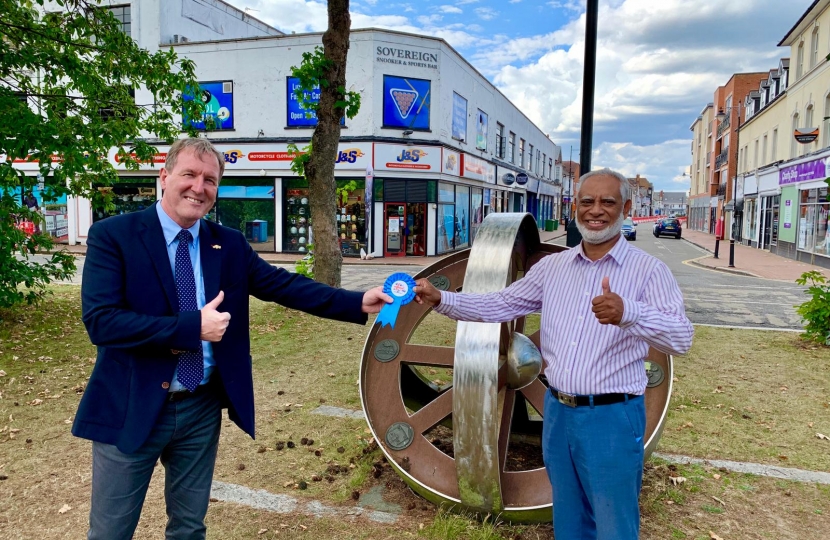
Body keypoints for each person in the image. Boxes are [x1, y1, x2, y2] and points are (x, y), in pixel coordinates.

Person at [74, 138, 391, 539]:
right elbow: (102, 322)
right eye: (189, 174)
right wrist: (191, 328)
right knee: (111, 532)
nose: (198, 187)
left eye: (210, 179)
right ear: (164, 176)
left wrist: (357, 301)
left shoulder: (227, 243)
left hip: (199, 408)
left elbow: (283, 285)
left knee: (189, 528)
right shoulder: (114, 235)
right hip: (130, 405)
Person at [413, 168, 693, 540]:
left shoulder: (649, 272)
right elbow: (502, 304)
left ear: (625, 207)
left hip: (612, 415)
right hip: (558, 413)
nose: (596, 210)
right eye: (587, 201)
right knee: (569, 515)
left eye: (607, 202)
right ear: (574, 207)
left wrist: (629, 313)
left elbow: (681, 338)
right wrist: (441, 298)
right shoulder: (553, 268)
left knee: (613, 521)